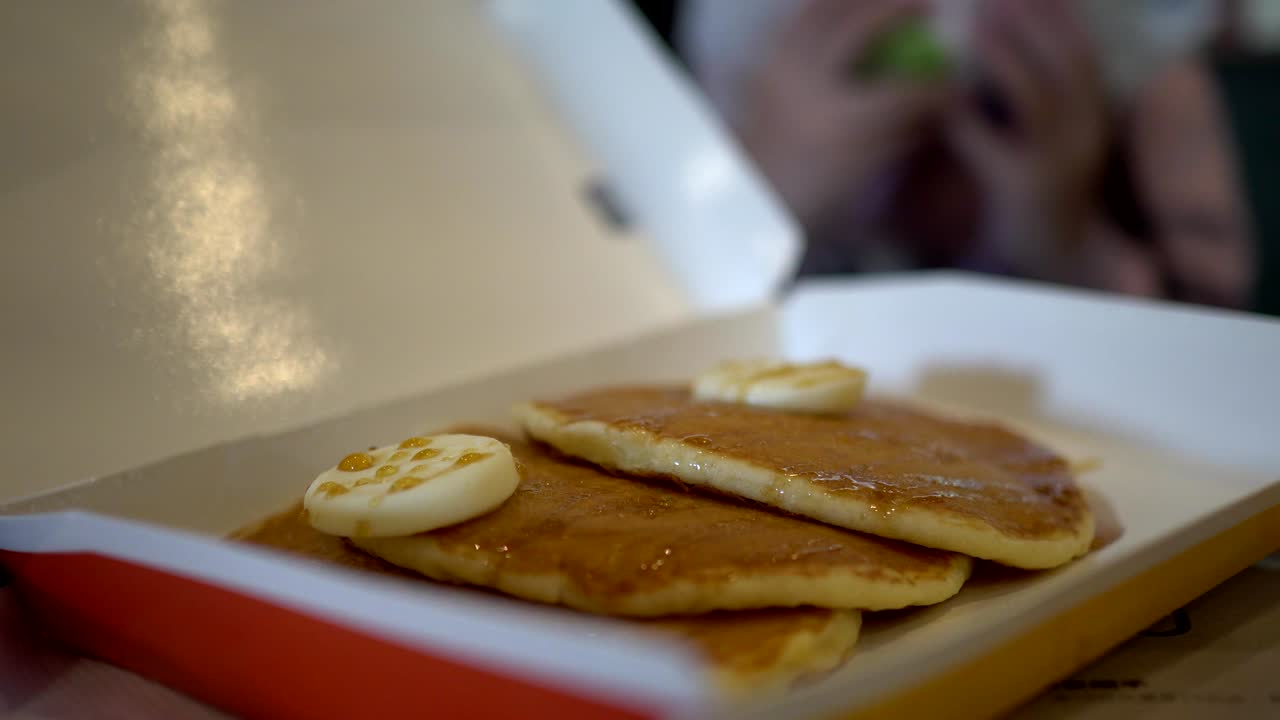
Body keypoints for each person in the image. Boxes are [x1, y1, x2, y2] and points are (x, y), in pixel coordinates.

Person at [675, 0, 1258, 309]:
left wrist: (1062, 235)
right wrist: (772, 189)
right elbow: (662, 300)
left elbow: (1199, 358)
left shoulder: (1150, 86)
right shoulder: (741, 58)